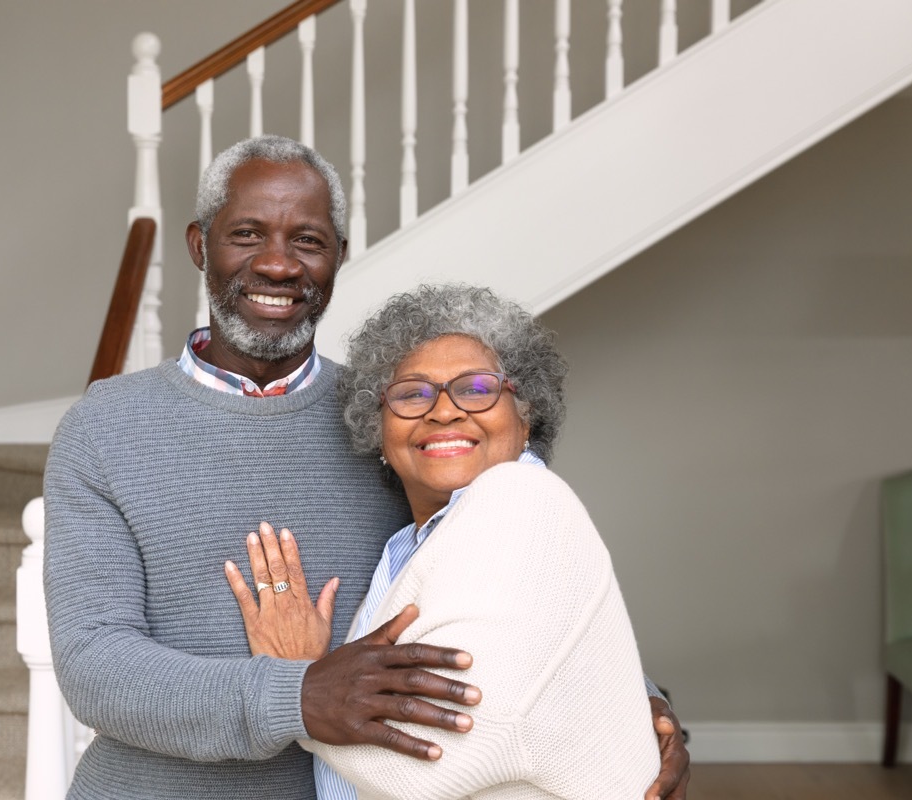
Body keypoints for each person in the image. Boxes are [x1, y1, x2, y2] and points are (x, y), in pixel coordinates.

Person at [44, 135, 690, 799]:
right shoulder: (104, 428)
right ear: (199, 245)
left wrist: (638, 709)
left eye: (308, 240)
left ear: (338, 256)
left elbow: (524, 586)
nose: (278, 264)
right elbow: (95, 666)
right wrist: (298, 695)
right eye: (247, 234)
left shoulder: (395, 420)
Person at [226, 284, 662, 798]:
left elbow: (434, 761)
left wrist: (298, 678)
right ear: (379, 428)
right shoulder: (413, 544)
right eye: (413, 393)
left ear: (526, 415)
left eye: (476, 388)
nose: (444, 411)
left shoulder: (522, 500)